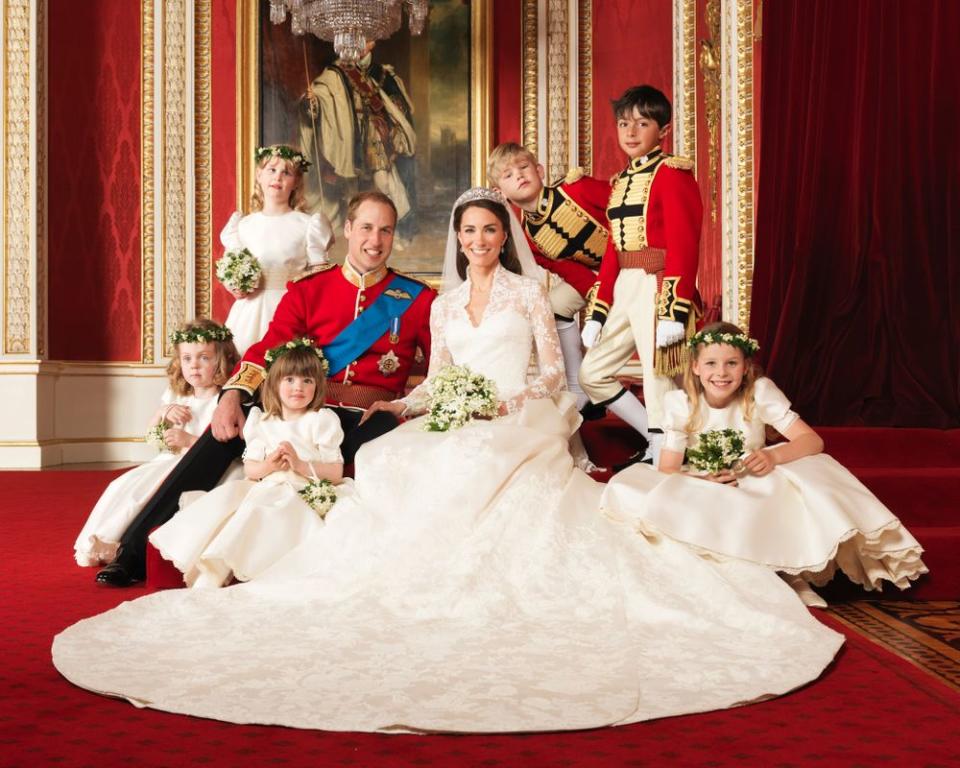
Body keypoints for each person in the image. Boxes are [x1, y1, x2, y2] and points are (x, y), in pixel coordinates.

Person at [55, 190, 843, 733]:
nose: (477, 243)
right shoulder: (394, 297)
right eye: (465, 233)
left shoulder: (501, 296)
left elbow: (545, 374)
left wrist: (492, 402)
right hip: (389, 403)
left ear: (502, 236)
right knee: (391, 458)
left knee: (449, 461)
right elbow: (425, 376)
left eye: (488, 232)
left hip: (513, 414)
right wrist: (401, 403)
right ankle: (163, 548)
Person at [94, 191, 434, 587]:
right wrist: (232, 397)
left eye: (385, 230)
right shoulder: (310, 289)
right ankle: (133, 551)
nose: (374, 240)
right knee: (223, 434)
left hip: (365, 419)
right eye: (366, 228)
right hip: (300, 407)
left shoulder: (417, 299)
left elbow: (439, 366)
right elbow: (265, 350)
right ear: (347, 229)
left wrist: (405, 406)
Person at [601, 322, 928, 601]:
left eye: (731, 363)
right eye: (712, 364)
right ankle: (733, 575)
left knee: (798, 478)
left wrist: (773, 455)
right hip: (704, 479)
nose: (721, 373)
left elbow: (812, 441)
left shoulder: (759, 392)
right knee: (634, 488)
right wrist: (703, 479)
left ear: (745, 367)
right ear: (696, 367)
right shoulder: (680, 402)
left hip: (752, 476)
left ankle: (789, 572)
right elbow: (669, 470)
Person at [149, 341, 348, 589]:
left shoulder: (321, 421)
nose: (298, 387)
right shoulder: (262, 421)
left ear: (317, 386)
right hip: (268, 484)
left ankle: (235, 569)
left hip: (304, 488)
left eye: (307, 381)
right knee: (227, 505)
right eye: (289, 380)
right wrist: (270, 465)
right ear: (274, 384)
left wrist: (300, 465)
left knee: (267, 511)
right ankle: (211, 570)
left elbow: (336, 472)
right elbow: (252, 470)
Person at [579, 85, 703, 467]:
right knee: (592, 372)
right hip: (625, 285)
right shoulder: (620, 181)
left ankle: (665, 451)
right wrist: (598, 312)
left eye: (642, 123)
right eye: (623, 124)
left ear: (662, 130)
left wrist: (673, 310)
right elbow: (613, 251)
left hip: (659, 284)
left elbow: (685, 244)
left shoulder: (672, 173)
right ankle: (654, 437)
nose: (630, 132)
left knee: (657, 374)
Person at [73, 320, 240, 566]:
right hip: (169, 459)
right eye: (186, 358)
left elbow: (222, 448)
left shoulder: (224, 401)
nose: (194, 365)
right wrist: (163, 414)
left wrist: (188, 440)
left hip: (199, 466)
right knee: (124, 484)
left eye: (204, 358)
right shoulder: (177, 396)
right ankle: (107, 538)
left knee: (153, 490)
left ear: (222, 360)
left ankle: (124, 546)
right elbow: (153, 436)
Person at [489, 142, 611, 411]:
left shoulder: (575, 189)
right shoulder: (529, 238)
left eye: (523, 168)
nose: (519, 176)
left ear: (540, 170)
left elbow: (625, 215)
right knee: (552, 308)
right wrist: (602, 298)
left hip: (633, 262)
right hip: (598, 277)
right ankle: (579, 391)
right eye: (508, 175)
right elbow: (573, 273)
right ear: (500, 192)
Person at [219, 144, 334, 354]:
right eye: (272, 170)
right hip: (250, 311)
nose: (278, 177)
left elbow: (320, 277)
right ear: (259, 175)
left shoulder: (308, 224)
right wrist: (235, 286)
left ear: (296, 181)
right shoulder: (243, 225)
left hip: (289, 309)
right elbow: (231, 267)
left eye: (286, 173)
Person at [300, 42, 416, 238]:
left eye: (364, 39)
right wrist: (312, 103)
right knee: (349, 186)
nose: (358, 44)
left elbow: (397, 105)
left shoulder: (382, 73)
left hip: (374, 133)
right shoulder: (334, 73)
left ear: (371, 44)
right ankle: (355, 232)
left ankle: (391, 228)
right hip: (348, 137)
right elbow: (320, 97)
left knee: (384, 180)